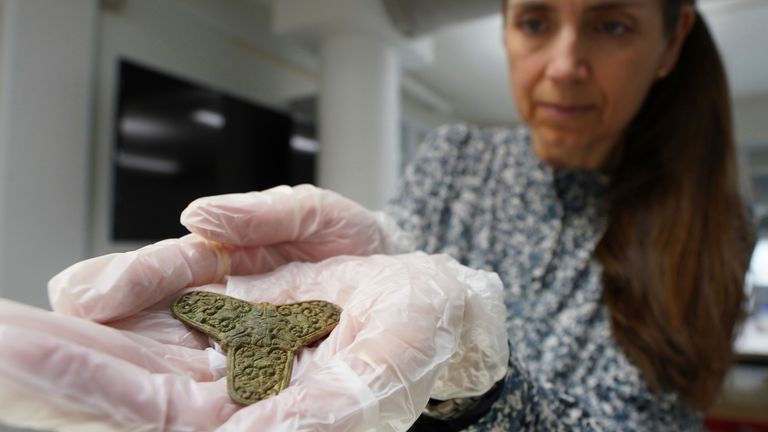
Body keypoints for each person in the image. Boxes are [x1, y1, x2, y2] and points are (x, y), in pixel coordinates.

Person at [0, 0, 756, 430]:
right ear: (504, 27)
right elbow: (394, 273)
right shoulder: (456, 154)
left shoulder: (714, 227)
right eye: (534, 22)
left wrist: (480, 384)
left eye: (611, 24)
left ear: (672, 40)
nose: (563, 64)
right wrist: (371, 249)